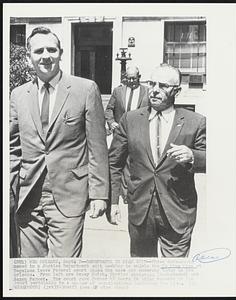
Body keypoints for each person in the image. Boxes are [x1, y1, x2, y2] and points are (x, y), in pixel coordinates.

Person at [10, 26, 109, 257]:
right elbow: (12, 147)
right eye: (39, 51)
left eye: (51, 49)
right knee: (30, 270)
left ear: (61, 53)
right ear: (28, 57)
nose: (46, 56)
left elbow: (97, 147)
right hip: (28, 196)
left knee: (64, 270)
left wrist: (99, 195)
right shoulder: (18, 94)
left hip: (69, 195)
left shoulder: (85, 89)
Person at [109, 63, 206, 257]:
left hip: (177, 211)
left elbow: (221, 159)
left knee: (174, 276)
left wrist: (192, 156)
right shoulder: (130, 120)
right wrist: (112, 202)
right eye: (152, 84)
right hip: (140, 212)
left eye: (163, 86)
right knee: (143, 274)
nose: (154, 90)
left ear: (176, 91)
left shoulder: (195, 122)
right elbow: (114, 163)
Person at [105, 65, 149, 202]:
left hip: (138, 132)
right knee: (117, 161)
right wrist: (111, 122)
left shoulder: (147, 92)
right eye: (128, 79)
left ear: (139, 77)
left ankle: (128, 193)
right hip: (120, 133)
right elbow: (109, 110)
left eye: (134, 78)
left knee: (133, 162)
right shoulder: (118, 91)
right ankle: (117, 193)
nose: (131, 81)